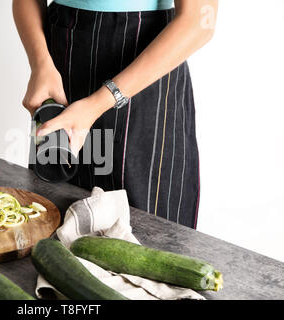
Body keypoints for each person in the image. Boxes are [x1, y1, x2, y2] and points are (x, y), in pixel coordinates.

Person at [13, 0, 218, 229]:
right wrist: (40, 64)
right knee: (50, 222)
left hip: (145, 74)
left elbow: (200, 21)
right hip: (64, 64)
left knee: (146, 238)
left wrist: (96, 104)